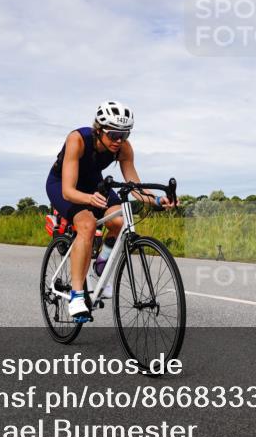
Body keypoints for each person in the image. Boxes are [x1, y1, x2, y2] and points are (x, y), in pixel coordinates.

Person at [45, 100, 173, 322]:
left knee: (119, 222)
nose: (119, 141)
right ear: (99, 129)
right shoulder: (77, 139)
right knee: (87, 225)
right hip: (62, 185)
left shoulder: (123, 148)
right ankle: (77, 295)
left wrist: (157, 200)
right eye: (114, 135)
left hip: (94, 185)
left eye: (125, 135)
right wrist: (88, 199)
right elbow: (68, 191)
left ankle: (100, 265)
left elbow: (135, 186)